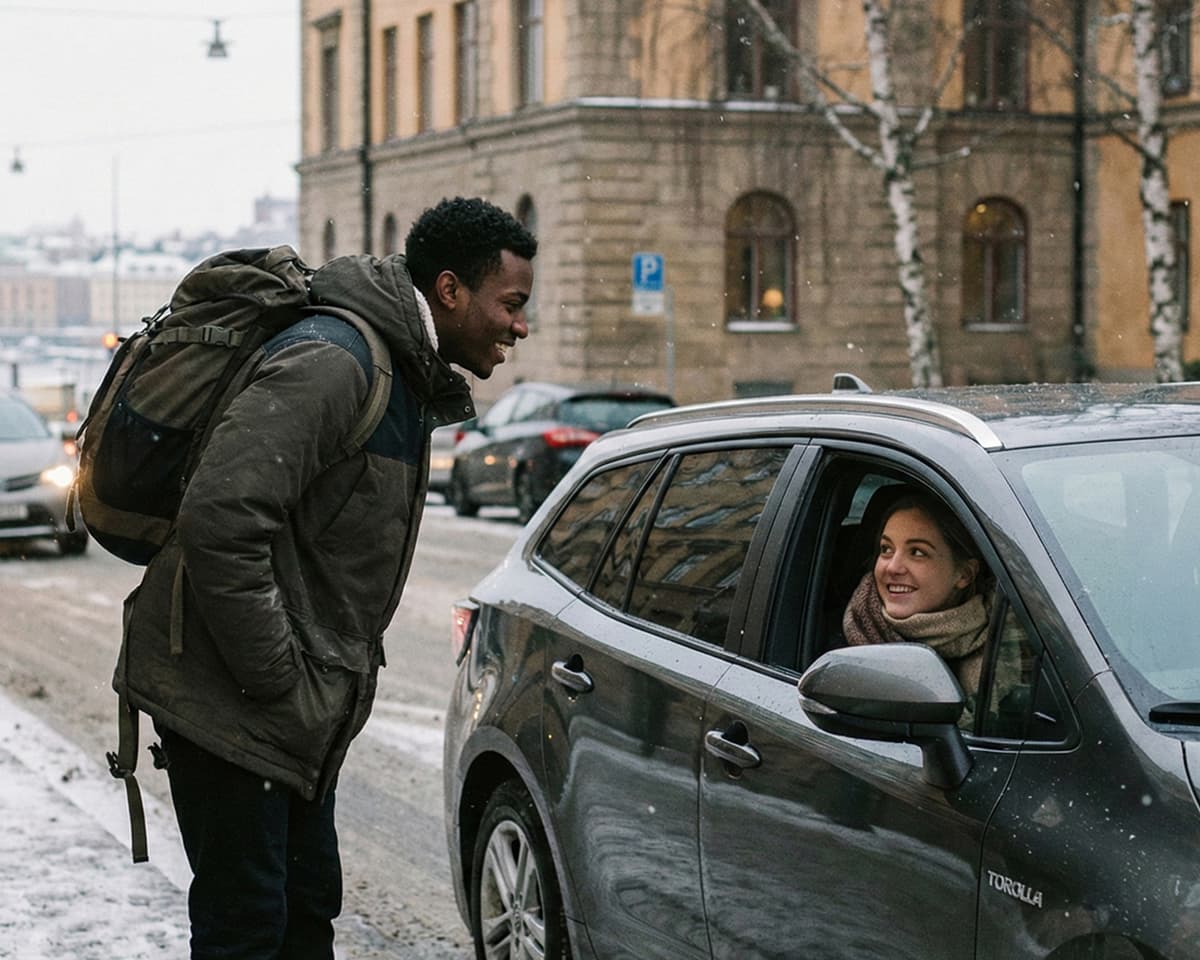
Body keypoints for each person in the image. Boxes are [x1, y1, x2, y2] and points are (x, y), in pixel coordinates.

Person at [118, 196, 537, 959]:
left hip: (287, 715)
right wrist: (277, 676)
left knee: (303, 918)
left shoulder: (398, 370)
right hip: (233, 704)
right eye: (511, 304)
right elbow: (220, 520)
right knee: (250, 932)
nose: (521, 326)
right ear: (450, 291)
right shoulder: (337, 361)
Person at [842, 490, 991, 700]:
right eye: (886, 549)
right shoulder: (840, 654)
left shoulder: (1009, 644)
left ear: (964, 574)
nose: (892, 567)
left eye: (917, 552)